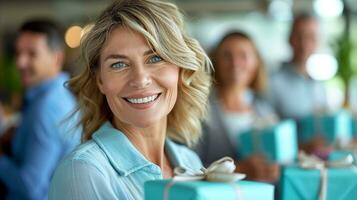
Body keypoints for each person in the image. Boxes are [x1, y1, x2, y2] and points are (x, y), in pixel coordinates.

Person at [49, 0, 211, 199]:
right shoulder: (83, 171)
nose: (140, 80)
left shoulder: (190, 162)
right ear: (100, 80)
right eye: (118, 64)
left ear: (180, 69)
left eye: (155, 58)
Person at [0, 19, 80, 200]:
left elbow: (31, 188)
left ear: (57, 58)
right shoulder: (58, 97)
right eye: (18, 53)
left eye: (32, 54)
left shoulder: (47, 108)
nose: (20, 62)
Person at [195, 31, 279, 182]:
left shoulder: (265, 111)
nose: (235, 63)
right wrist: (238, 169)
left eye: (243, 55)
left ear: (256, 63)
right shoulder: (199, 110)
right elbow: (187, 166)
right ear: (215, 62)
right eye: (227, 55)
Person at [269, 13, 327, 120]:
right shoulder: (271, 82)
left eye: (310, 37)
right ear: (289, 38)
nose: (304, 43)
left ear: (317, 42)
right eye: (299, 36)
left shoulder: (319, 85)